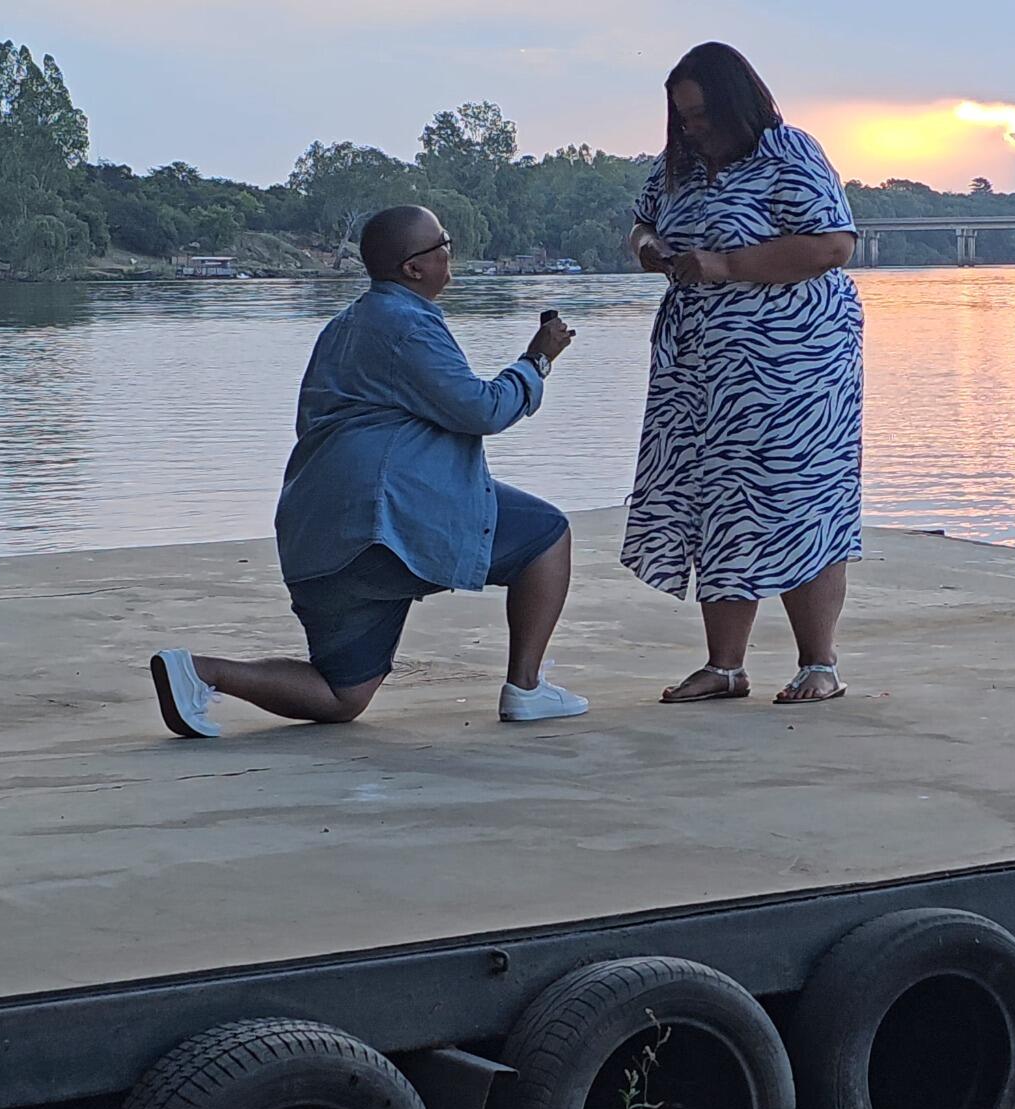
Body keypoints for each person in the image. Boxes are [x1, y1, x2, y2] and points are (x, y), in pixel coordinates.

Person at [150, 205, 585, 737]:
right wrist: (537, 361)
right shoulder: (407, 326)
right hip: (382, 527)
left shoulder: (343, 326)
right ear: (413, 268)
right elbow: (481, 410)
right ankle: (526, 688)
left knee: (342, 694)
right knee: (546, 535)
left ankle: (198, 672)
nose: (451, 250)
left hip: (315, 533)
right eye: (442, 242)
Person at [624, 42, 865, 705]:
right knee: (715, 499)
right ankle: (724, 665)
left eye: (701, 114)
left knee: (796, 498)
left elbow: (833, 245)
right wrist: (651, 250)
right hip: (700, 368)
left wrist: (726, 264)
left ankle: (819, 665)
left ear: (737, 102)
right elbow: (642, 223)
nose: (692, 127)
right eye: (682, 117)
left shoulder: (790, 153)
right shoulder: (678, 167)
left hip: (795, 368)